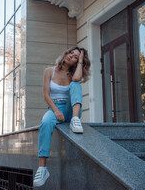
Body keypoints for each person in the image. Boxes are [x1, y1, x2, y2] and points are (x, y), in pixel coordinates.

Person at [33, 46, 91, 187]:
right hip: (55, 107)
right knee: (45, 123)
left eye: (76, 57)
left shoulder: (73, 75)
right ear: (66, 53)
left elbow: (77, 78)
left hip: (72, 109)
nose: (71, 56)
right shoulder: (49, 71)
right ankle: (42, 168)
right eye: (71, 53)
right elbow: (46, 95)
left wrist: (81, 61)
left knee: (75, 84)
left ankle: (75, 120)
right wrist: (56, 111)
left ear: (79, 62)